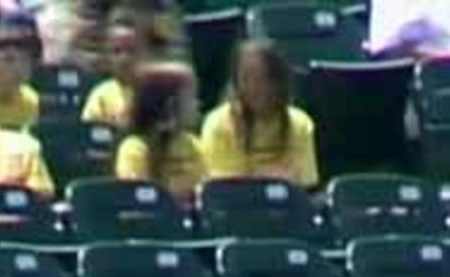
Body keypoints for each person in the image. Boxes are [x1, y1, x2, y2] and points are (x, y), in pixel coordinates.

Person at [200, 38, 318, 186]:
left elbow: (305, 182)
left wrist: (250, 176)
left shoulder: (300, 123)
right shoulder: (217, 124)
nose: (256, 87)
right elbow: (220, 185)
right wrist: (272, 175)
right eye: (246, 78)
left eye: (265, 77)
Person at [115, 59, 204, 196]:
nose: (198, 103)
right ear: (169, 105)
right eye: (191, 97)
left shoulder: (193, 145)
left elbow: (204, 192)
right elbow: (138, 196)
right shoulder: (134, 149)